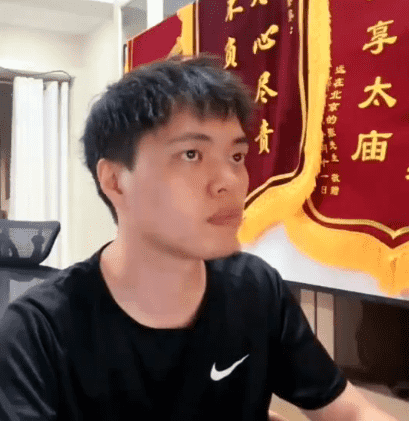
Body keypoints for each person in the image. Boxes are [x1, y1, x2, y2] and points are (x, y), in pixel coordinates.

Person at [0, 55, 399, 421]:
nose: (230, 182)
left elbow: (349, 410)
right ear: (116, 181)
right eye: (191, 154)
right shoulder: (39, 331)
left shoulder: (255, 289)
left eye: (237, 157)